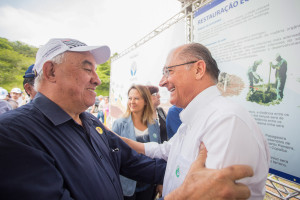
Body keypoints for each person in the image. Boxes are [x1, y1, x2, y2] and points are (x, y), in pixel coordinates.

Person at [0, 38, 254, 200]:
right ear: (51, 71)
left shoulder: (90, 124)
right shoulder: (13, 135)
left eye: (96, 71)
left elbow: (137, 162)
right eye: (87, 68)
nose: (97, 80)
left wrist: (193, 177)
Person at [120, 43, 270, 199]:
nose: (162, 82)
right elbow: (166, 150)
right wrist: (116, 140)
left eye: (168, 71)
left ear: (198, 70)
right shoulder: (194, 119)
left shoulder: (225, 122)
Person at [112, 85, 160, 200]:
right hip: (126, 185)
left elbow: (158, 154)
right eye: (130, 98)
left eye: (136, 98)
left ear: (146, 102)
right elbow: (112, 155)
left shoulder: (154, 124)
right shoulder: (119, 124)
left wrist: (160, 181)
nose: (132, 102)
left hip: (148, 183)